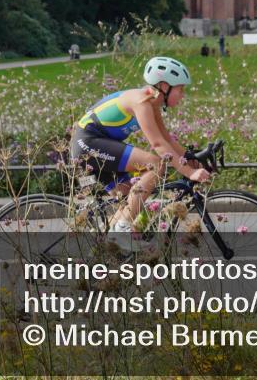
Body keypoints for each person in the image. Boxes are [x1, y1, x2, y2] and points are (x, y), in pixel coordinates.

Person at [69, 56, 210, 242]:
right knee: (156, 164)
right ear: (164, 87)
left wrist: (190, 158)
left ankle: (108, 247)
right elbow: (158, 145)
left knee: (129, 199)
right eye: (181, 89)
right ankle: (122, 227)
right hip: (88, 142)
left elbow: (167, 139)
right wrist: (188, 172)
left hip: (98, 144)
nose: (183, 94)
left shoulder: (153, 103)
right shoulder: (141, 102)